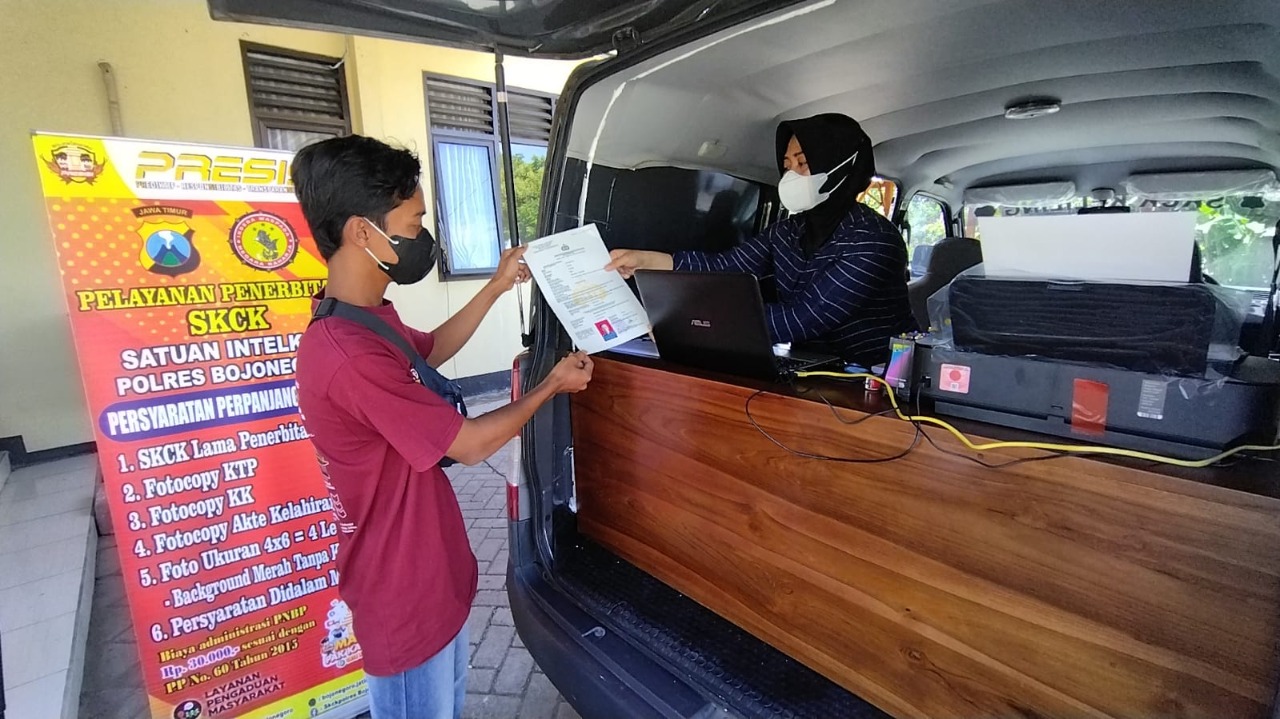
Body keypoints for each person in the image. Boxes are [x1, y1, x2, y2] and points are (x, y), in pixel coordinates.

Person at [291, 135, 594, 719]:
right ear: (362, 233)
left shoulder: (364, 319)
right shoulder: (349, 353)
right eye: (415, 222)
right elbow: (472, 444)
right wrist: (550, 385)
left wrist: (497, 284)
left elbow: (430, 350)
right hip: (401, 595)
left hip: (427, 575)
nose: (423, 237)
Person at [606, 113, 915, 367]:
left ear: (842, 167)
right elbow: (725, 267)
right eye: (787, 166)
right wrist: (646, 261)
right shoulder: (788, 231)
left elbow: (803, 318)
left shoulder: (874, 241)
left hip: (877, 380)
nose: (791, 175)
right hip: (810, 367)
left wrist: (692, 325)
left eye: (803, 163)